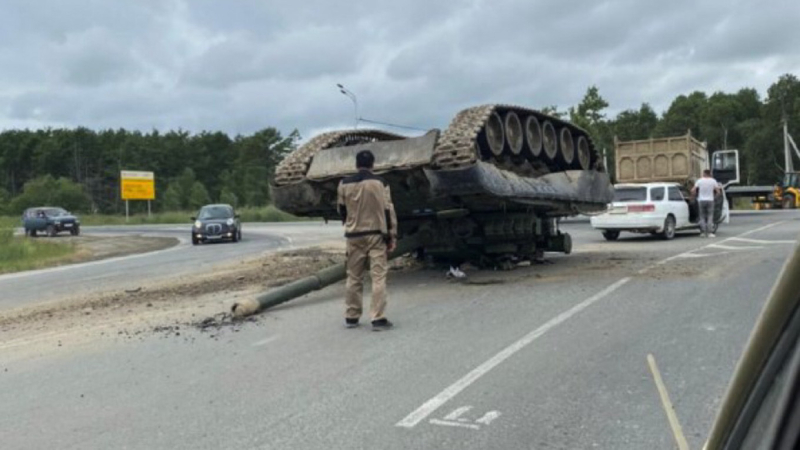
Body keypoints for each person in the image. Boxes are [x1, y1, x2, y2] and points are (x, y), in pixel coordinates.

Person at [337, 150, 398, 331]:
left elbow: (341, 210)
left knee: (354, 276)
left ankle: (351, 316)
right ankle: (378, 318)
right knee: (378, 276)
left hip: (353, 235)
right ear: (373, 164)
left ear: (356, 165)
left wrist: (350, 223)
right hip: (375, 234)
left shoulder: (343, 184)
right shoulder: (380, 183)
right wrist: (391, 236)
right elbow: (388, 210)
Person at [691, 169, 722, 238]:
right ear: (710, 174)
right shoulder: (713, 181)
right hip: (710, 200)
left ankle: (703, 232)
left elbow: (693, 190)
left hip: (701, 200)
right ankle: (710, 232)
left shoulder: (699, 181)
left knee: (702, 216)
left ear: (704, 173)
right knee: (710, 216)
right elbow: (718, 192)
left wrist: (694, 196)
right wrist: (715, 198)